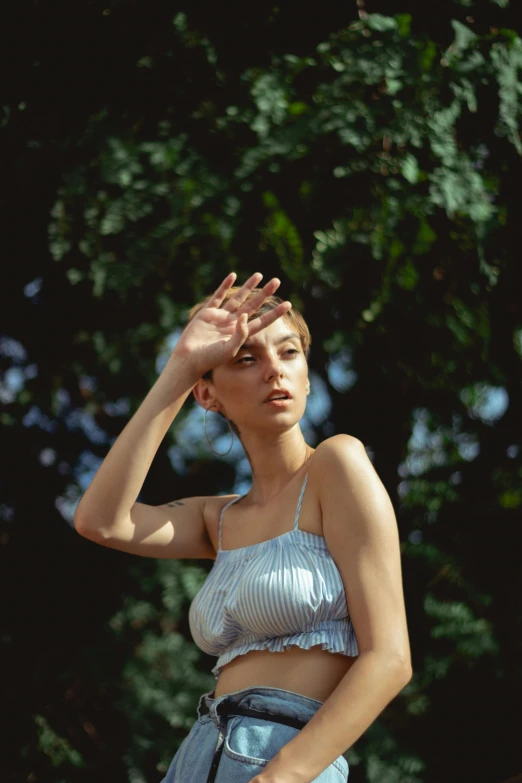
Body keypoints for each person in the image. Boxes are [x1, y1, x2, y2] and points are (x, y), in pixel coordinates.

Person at [75, 272, 412, 783]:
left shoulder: (336, 465)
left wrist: (284, 775)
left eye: (289, 353)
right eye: (246, 359)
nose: (274, 371)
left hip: (284, 757)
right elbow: (101, 521)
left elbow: (389, 658)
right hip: (196, 755)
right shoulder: (219, 519)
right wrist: (182, 367)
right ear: (207, 395)